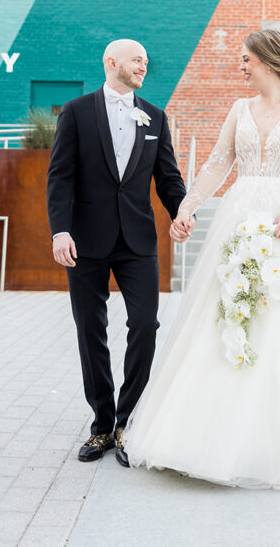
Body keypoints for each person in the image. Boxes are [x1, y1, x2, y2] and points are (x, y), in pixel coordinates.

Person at [124, 29, 280, 489]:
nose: (240, 67)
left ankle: (277, 432)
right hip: (239, 216)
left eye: (245, 60)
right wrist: (186, 208)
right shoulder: (240, 109)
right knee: (225, 310)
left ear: (267, 60)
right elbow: (219, 162)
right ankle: (203, 431)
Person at [47, 39, 190, 468]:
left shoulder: (155, 116)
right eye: (136, 60)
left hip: (138, 241)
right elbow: (60, 177)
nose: (144, 65)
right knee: (89, 330)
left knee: (145, 324)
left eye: (146, 60)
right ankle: (101, 426)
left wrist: (181, 211)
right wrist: (60, 231)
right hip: (85, 241)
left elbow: (168, 176)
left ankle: (129, 422)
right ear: (112, 63)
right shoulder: (75, 112)